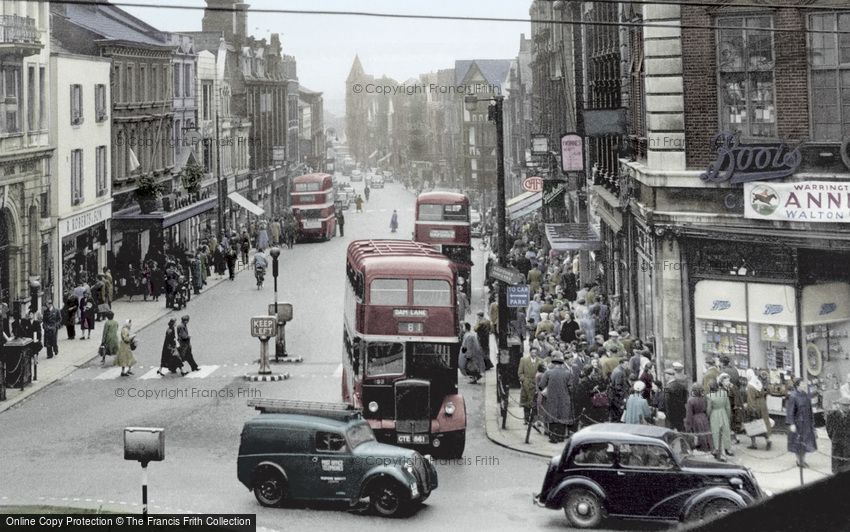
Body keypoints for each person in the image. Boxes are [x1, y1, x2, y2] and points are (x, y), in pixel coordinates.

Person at [538, 352, 574, 443]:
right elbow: (571, 388)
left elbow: (541, 386)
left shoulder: (548, 372)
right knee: (562, 417)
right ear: (562, 364)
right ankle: (561, 437)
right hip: (564, 399)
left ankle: (553, 437)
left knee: (552, 417)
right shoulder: (568, 373)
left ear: (554, 363)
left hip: (551, 399)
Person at [787, 377, 817, 468]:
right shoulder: (793, 396)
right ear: (798, 385)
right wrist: (791, 423)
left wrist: (812, 423)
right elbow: (790, 411)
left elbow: (810, 409)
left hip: (807, 423)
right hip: (798, 423)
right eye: (803, 384)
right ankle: (800, 461)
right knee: (798, 442)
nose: (804, 385)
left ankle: (802, 460)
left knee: (806, 442)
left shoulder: (805, 395)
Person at [745, 368, 772, 450]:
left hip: (755, 405)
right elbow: (764, 392)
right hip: (762, 404)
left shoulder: (750, 385)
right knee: (763, 423)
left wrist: (751, 409)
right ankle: (768, 440)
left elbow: (751, 399)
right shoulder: (757, 382)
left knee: (752, 424)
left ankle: (753, 443)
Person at [707, 378, 733, 461]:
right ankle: (728, 448)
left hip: (714, 414)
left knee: (716, 432)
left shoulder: (709, 396)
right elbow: (728, 407)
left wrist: (708, 416)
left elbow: (709, 409)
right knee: (726, 430)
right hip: (723, 412)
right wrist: (728, 416)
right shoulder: (724, 393)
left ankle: (719, 450)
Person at [685, 384, 713, 452]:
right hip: (704, 417)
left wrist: (688, 425)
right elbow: (707, 409)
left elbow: (689, 414)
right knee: (706, 433)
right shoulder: (704, 398)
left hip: (696, 418)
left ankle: (702, 448)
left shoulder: (691, 400)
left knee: (699, 434)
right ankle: (709, 446)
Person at [826, 396, 850, 474]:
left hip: (848, 443)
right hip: (837, 442)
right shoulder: (832, 415)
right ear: (839, 405)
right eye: (844, 405)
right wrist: (833, 437)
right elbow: (829, 428)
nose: (846, 407)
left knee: (847, 463)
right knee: (836, 463)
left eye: (847, 405)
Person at [518, 347, 542, 423]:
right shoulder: (524, 360)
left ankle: (534, 420)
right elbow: (520, 373)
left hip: (536, 384)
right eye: (532, 352)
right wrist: (523, 380)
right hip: (526, 384)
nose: (534, 354)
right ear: (530, 352)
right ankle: (526, 419)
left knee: (535, 403)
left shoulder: (540, 361)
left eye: (535, 352)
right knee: (526, 403)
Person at [663, 367, 689, 432]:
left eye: (665, 375)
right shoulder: (681, 386)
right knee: (682, 431)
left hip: (671, 416)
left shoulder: (667, 388)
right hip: (681, 413)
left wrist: (668, 416)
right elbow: (685, 400)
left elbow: (667, 404)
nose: (665, 377)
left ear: (668, 376)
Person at [608, 357, 628, 422]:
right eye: (626, 364)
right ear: (621, 364)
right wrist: (623, 395)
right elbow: (618, 385)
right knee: (619, 414)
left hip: (614, 395)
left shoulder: (616, 369)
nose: (627, 366)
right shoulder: (619, 372)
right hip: (617, 397)